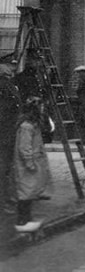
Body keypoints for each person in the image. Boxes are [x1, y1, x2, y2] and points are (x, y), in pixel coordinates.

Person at [13, 97, 52, 232]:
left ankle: (26, 219)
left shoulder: (33, 125)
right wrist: (29, 162)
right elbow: (24, 147)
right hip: (26, 166)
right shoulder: (26, 127)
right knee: (25, 191)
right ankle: (22, 221)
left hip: (33, 163)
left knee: (30, 191)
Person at [0, 63, 22, 214]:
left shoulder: (10, 85)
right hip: (5, 133)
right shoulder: (4, 86)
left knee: (7, 168)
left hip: (10, 132)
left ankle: (7, 199)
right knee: (3, 169)